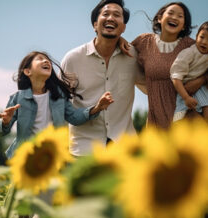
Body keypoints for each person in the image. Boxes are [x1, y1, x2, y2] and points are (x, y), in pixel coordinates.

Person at [120, 2, 208, 131]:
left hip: (188, 120)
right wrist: (119, 39)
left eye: (180, 16)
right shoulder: (144, 42)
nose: (174, 17)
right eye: (170, 13)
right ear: (160, 18)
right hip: (156, 121)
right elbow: (122, 54)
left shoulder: (191, 46)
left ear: (183, 26)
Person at [61, 0, 146, 156]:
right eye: (105, 14)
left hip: (124, 148)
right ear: (95, 24)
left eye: (117, 15)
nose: (111, 18)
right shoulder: (73, 59)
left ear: (124, 27)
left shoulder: (132, 56)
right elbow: (59, 104)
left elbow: (153, 83)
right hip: (83, 149)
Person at [0, 51, 114, 159]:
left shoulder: (59, 96)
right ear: (27, 71)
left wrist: (97, 108)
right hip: (26, 158)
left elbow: (74, 117)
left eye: (47, 60)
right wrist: (5, 122)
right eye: (40, 59)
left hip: (54, 156)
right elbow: (1, 132)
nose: (46, 61)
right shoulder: (18, 98)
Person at [171, 21, 208, 134]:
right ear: (196, 36)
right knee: (179, 121)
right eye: (201, 37)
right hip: (185, 90)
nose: (204, 42)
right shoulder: (188, 54)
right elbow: (176, 77)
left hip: (205, 88)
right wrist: (186, 97)